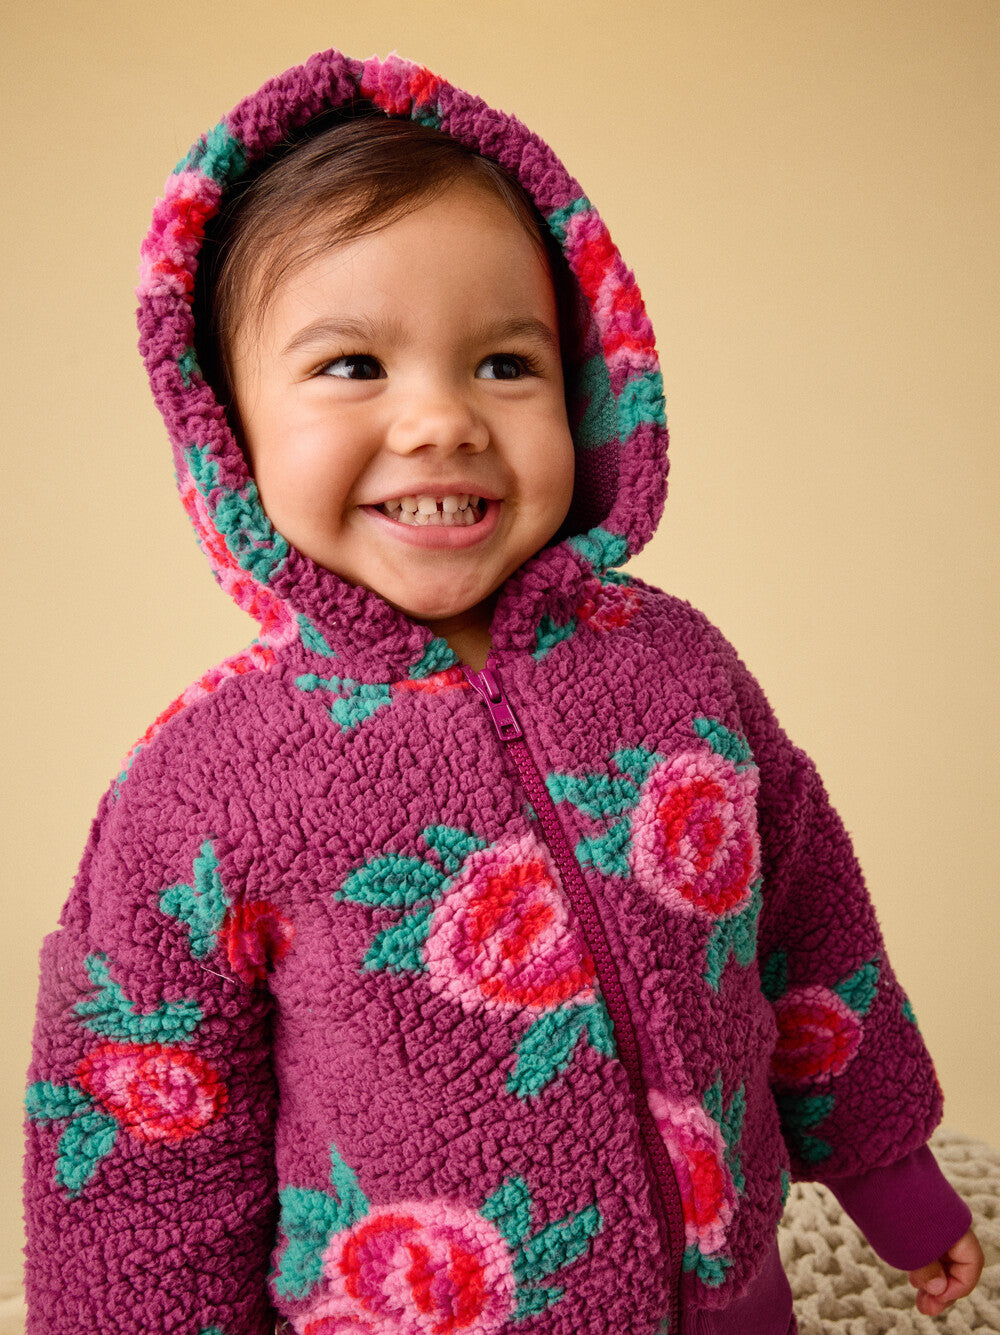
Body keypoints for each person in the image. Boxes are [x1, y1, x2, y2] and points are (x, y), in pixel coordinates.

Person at [22, 48, 983, 1335]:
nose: (442, 421)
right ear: (226, 428)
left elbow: (811, 932)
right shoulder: (202, 785)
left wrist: (892, 1179)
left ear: (587, 386)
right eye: (352, 365)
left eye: (503, 364)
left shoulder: (676, 668)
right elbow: (141, 1153)